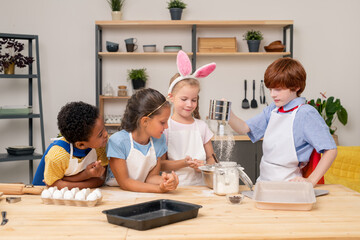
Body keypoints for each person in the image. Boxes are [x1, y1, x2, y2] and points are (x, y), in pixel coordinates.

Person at [228, 57, 337, 186]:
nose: (273, 94)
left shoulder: (305, 113)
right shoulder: (273, 110)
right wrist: (227, 112)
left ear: (296, 87)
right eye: (270, 89)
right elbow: (244, 128)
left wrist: (311, 180)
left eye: (278, 89)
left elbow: (331, 150)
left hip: (290, 185)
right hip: (264, 183)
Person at [105, 88, 179, 193]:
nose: (166, 127)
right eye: (162, 122)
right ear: (145, 121)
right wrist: (159, 189)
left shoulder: (159, 140)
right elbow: (125, 182)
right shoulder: (118, 141)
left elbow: (151, 178)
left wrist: (167, 181)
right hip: (116, 194)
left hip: (144, 192)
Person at [161, 50, 217, 186]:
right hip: (173, 187)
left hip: (201, 187)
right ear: (171, 97)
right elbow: (161, 165)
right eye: (184, 99)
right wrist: (184, 163)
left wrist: (204, 166)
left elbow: (211, 158)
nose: (189, 104)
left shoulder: (201, 126)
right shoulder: (165, 126)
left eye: (194, 100)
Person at [33, 101, 108, 189]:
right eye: (100, 134)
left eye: (104, 128)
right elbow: (52, 185)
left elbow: (101, 179)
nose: (106, 134)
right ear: (81, 145)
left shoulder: (100, 147)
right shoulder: (57, 156)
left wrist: (65, 181)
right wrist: (86, 176)